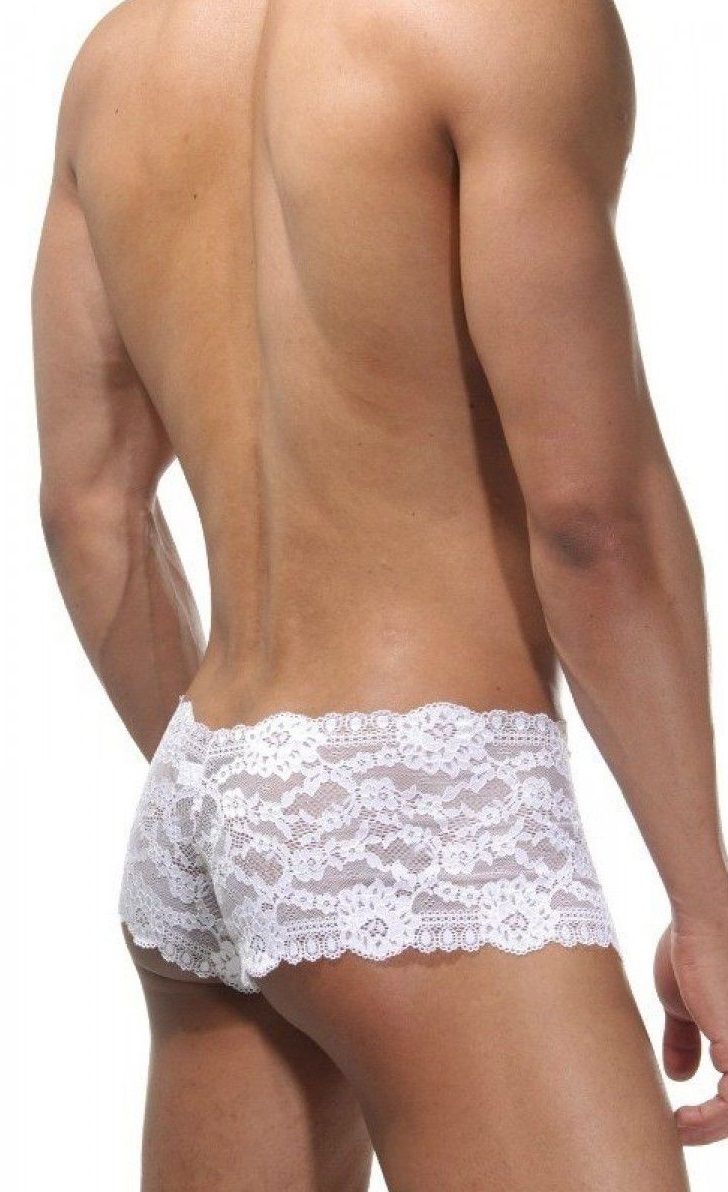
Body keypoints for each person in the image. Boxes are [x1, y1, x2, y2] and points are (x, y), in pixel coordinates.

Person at [33, 0, 727, 1188]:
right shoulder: (501, 21)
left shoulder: (117, 60)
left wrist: (268, 819)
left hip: (200, 791)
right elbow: (590, 519)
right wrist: (705, 909)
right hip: (421, 804)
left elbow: (88, 510)